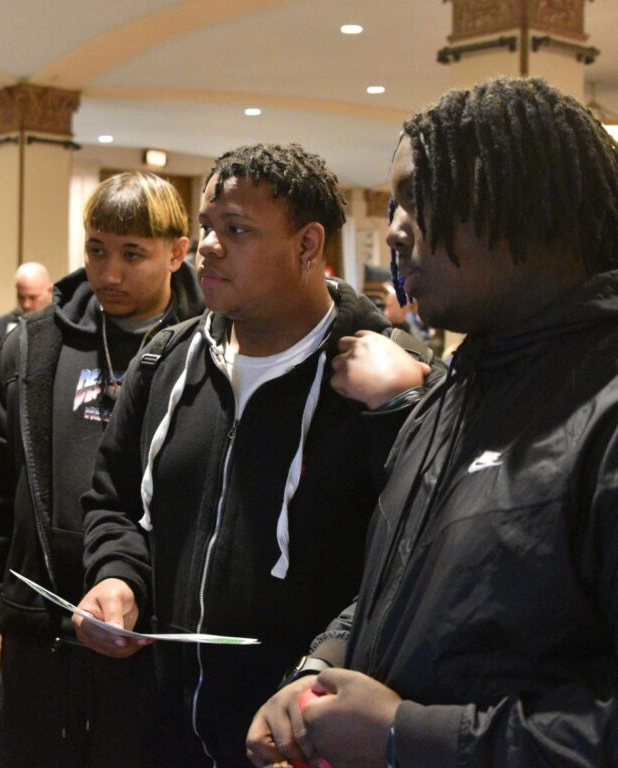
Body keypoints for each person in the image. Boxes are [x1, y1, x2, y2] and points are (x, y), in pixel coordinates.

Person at [246, 76, 618, 768]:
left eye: (420, 199)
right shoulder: (450, 397)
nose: (393, 231)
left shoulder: (605, 411)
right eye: (393, 205)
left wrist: (407, 737)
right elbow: (400, 591)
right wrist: (317, 670)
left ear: (528, 198)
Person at [75, 144, 433, 767]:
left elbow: (411, 562)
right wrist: (115, 574)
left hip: (304, 736)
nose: (210, 244)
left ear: (307, 245)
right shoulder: (165, 361)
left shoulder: (385, 381)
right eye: (207, 226)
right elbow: (113, 501)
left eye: (236, 229)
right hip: (159, 725)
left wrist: (324, 668)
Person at [0, 172, 205, 767]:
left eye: (132, 254)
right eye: (96, 250)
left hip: (150, 638)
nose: (109, 274)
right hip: (37, 629)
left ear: (177, 252)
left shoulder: (208, 349)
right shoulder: (30, 348)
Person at [0, 261, 54, 403]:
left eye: (33, 297)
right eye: (21, 297)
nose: (26, 304)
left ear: (50, 291)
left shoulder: (61, 326)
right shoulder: (0, 327)